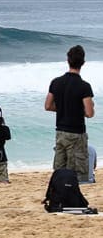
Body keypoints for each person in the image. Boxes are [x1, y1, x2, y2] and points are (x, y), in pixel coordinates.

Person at [45, 45, 94, 183]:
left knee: (60, 170)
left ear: (68, 60)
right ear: (83, 63)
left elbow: (48, 106)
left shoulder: (56, 82)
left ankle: (60, 198)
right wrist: (78, 110)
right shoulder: (84, 86)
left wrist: (62, 108)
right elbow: (89, 113)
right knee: (77, 173)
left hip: (60, 132)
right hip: (77, 134)